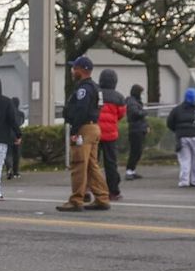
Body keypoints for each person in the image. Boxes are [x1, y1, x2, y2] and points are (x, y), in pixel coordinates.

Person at [57, 55, 109, 213]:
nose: (73, 71)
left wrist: (74, 131)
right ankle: (102, 197)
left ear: (82, 70)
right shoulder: (96, 87)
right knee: (93, 166)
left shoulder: (83, 89)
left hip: (84, 129)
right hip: (94, 128)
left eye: (75, 68)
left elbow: (81, 110)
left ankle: (76, 200)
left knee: (79, 164)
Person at [97, 69, 125, 201]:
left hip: (95, 133)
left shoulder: (96, 94)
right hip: (110, 135)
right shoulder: (119, 97)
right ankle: (113, 191)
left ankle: (89, 189)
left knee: (92, 163)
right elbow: (121, 114)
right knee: (111, 164)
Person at [167, 87, 195, 187]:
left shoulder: (177, 109)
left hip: (182, 137)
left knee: (185, 160)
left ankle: (184, 181)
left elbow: (170, 123)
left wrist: (177, 131)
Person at [123, 84, 148, 179]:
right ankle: (129, 171)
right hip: (135, 130)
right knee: (135, 151)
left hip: (139, 129)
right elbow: (135, 113)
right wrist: (144, 112)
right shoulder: (132, 102)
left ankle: (132, 170)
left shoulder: (136, 102)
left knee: (138, 151)